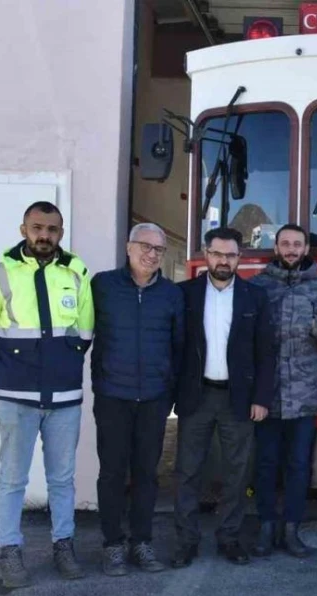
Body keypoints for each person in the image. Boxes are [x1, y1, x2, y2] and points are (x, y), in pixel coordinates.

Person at [0, 201, 93, 588]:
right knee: (13, 479)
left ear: (61, 233)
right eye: (37, 227)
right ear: (23, 229)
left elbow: (84, 334)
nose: (44, 235)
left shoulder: (77, 272)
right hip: (15, 397)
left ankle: (64, 545)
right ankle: (10, 550)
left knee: (62, 479)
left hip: (64, 396)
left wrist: (59, 368)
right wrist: (7, 372)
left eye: (52, 229)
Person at [171, 227, 276, 567]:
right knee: (188, 471)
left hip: (238, 398)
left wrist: (261, 398)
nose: (223, 260)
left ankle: (229, 538)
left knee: (237, 472)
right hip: (196, 395)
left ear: (239, 259)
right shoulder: (184, 294)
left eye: (230, 255)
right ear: (206, 254)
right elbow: (173, 347)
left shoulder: (254, 297)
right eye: (217, 254)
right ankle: (186, 540)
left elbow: (266, 352)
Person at [90, 223, 185, 575]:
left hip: (154, 399)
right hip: (113, 395)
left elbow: (179, 346)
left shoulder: (171, 294)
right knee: (113, 473)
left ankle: (141, 543)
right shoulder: (103, 286)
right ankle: (112, 544)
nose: (151, 254)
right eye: (145, 246)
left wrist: (169, 393)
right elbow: (85, 334)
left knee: (147, 473)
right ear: (128, 248)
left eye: (159, 249)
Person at [249, 224, 317, 558]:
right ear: (276, 248)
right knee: (266, 463)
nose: (290, 249)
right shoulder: (257, 286)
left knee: (299, 465)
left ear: (305, 250)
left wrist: (315, 323)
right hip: (266, 395)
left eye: (296, 244)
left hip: (304, 394)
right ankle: (265, 528)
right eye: (285, 244)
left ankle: (292, 531)